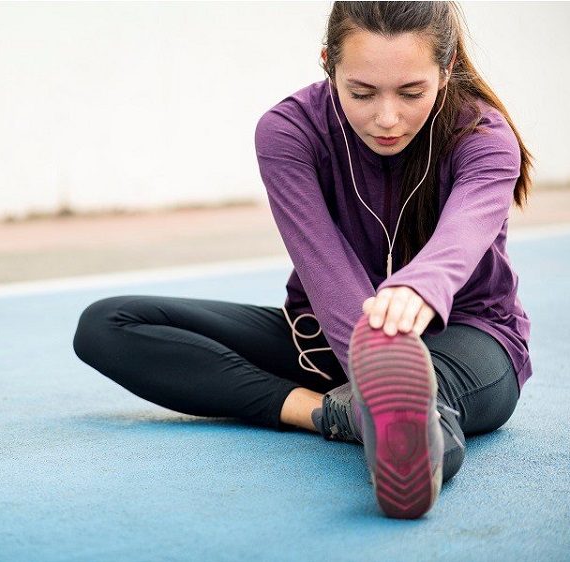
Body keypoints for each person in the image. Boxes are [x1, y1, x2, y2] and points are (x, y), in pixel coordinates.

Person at [72, 1, 533, 520]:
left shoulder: (484, 138)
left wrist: (418, 290)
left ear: (446, 71)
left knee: (413, 403)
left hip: (467, 338)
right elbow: (323, 268)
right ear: (327, 64)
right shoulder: (288, 132)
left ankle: (400, 425)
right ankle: (326, 414)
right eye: (361, 93)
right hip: (326, 341)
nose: (386, 118)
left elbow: (460, 238)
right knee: (107, 324)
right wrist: (370, 356)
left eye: (411, 93)